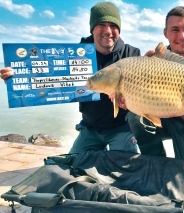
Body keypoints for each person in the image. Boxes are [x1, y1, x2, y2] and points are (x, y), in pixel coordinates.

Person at [0, 2, 141, 154]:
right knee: (72, 167)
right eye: (101, 24)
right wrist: (17, 79)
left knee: (128, 171)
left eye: (113, 25)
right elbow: (48, 78)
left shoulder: (131, 54)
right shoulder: (76, 53)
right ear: (92, 28)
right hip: (90, 128)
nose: (108, 31)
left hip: (122, 128)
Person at [125, 6, 184, 163]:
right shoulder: (155, 58)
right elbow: (144, 95)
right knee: (135, 116)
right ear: (165, 33)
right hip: (161, 116)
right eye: (175, 30)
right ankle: (155, 162)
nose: (182, 36)